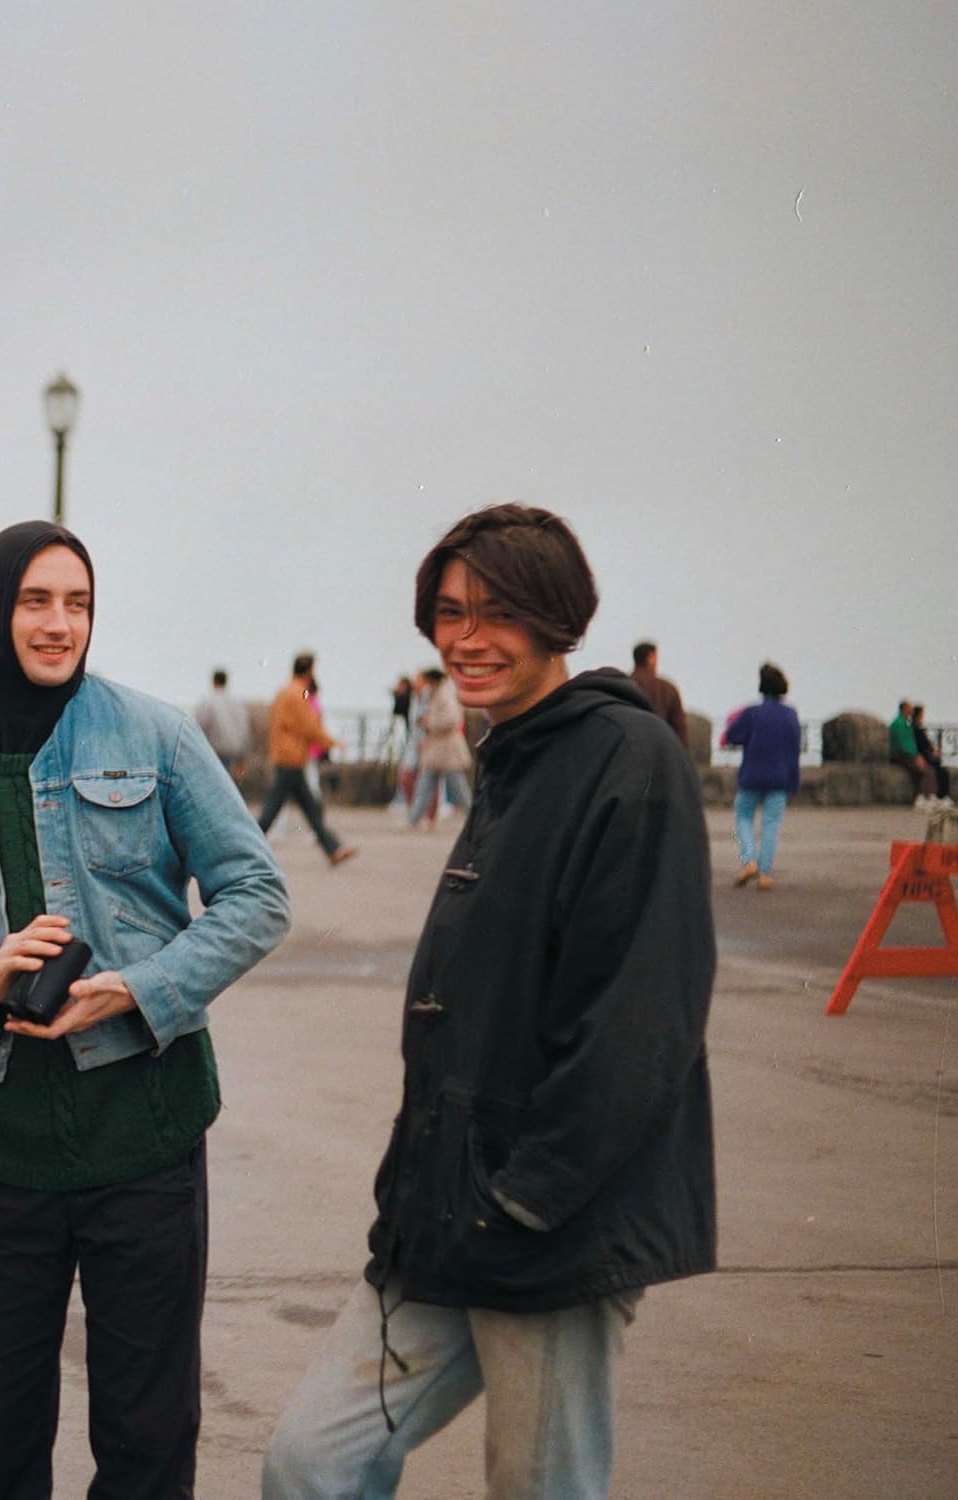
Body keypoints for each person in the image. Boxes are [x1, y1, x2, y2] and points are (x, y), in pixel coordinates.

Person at [263, 503, 716, 1500]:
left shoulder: (626, 759)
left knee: (538, 1485)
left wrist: (528, 1199)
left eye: (497, 611)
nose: (466, 638)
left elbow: (642, 1020)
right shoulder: (509, 749)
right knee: (310, 1464)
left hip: (548, 1227)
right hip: (442, 1216)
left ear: (557, 618)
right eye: (449, 612)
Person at [0, 520, 291, 1500]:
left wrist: (138, 988)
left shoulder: (156, 736)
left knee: (146, 1449)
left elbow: (257, 894)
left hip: (146, 1142)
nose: (60, 624)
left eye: (79, 603)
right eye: (36, 601)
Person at [257, 653, 356, 866]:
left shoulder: (284, 691)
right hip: (292, 757)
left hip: (285, 756)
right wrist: (332, 742)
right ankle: (246, 845)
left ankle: (333, 848)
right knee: (275, 809)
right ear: (309, 671)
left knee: (307, 807)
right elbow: (309, 725)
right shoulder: (298, 694)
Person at [725, 662, 802, 891]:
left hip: (752, 775)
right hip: (779, 778)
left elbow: (732, 736)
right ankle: (765, 874)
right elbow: (794, 750)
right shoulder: (790, 715)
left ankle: (749, 860)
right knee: (771, 824)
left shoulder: (752, 713)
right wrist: (793, 782)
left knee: (743, 816)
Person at [406, 666, 472, 826]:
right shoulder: (437, 694)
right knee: (425, 785)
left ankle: (474, 817)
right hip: (437, 748)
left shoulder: (445, 695)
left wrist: (428, 722)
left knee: (458, 787)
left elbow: (452, 719)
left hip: (447, 749)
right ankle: (414, 819)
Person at [195, 666, 252, 781]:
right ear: (226, 682)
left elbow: (199, 727)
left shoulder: (208, 701)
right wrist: (242, 756)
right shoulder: (237, 703)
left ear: (213, 682)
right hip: (234, 752)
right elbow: (245, 729)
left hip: (216, 752)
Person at [629, 639, 688, 745]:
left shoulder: (622, 684)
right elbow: (679, 728)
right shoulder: (667, 688)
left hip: (628, 747)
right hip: (659, 748)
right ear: (651, 658)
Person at [889, 699, 938, 808]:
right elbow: (902, 745)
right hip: (899, 756)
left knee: (926, 769)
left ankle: (926, 796)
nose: (911, 710)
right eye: (909, 708)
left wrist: (917, 756)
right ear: (904, 709)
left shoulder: (905, 723)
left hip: (907, 755)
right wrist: (915, 757)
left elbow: (910, 743)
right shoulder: (899, 724)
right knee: (921, 770)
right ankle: (920, 797)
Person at [911, 705, 951, 806]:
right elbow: (921, 746)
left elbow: (927, 745)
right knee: (939, 772)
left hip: (927, 756)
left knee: (943, 771)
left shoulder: (919, 729)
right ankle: (940, 797)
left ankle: (942, 796)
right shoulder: (914, 730)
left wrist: (934, 751)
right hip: (923, 757)